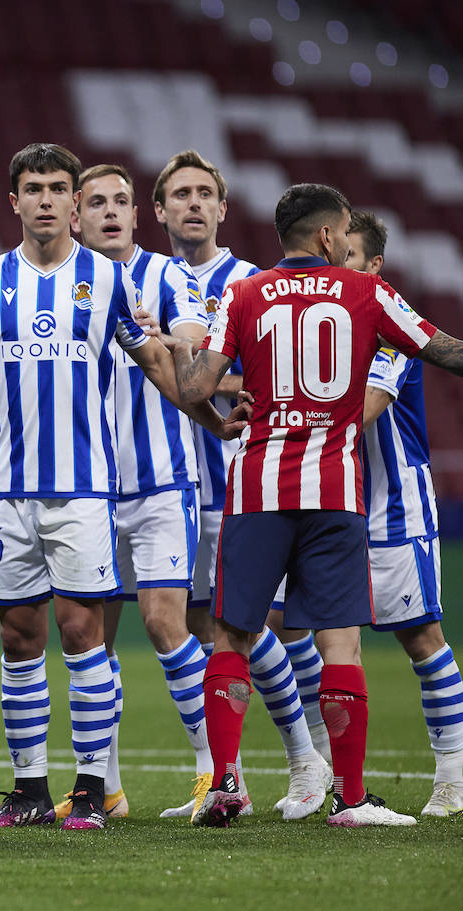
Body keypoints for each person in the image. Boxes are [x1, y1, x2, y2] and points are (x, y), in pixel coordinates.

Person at [0, 142, 245, 830]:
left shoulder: (108, 280)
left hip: (84, 491)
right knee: (17, 635)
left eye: (56, 188)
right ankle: (30, 791)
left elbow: (158, 361)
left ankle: (95, 789)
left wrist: (210, 419)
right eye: (31, 187)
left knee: (82, 631)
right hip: (8, 491)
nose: (44, 199)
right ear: (14, 201)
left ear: (72, 202)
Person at [166, 182, 463, 827]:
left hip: (258, 486)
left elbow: (193, 385)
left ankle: (221, 785)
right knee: (340, 643)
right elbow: (443, 351)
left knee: (232, 636)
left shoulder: (242, 295)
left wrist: (220, 418)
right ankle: (351, 801)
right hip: (334, 489)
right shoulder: (366, 292)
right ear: (329, 237)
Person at [153, 150, 332, 821]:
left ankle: (306, 755)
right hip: (173, 482)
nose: (194, 204)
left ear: (225, 209)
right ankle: (230, 778)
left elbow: (271, 377)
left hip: (243, 479)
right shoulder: (146, 281)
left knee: (264, 625)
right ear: (161, 210)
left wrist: (189, 362)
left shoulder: (255, 283)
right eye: (181, 194)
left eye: (205, 193)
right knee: (204, 626)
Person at [68, 162, 210, 819]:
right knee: (90, 639)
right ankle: (106, 788)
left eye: (120, 201)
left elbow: (194, 340)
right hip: (91, 488)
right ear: (76, 216)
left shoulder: (167, 275)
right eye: (96, 202)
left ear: (135, 212)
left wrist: (170, 337)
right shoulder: (64, 285)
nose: (110, 211)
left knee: (162, 622)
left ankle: (216, 771)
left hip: (161, 482)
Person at [347, 210, 463, 817]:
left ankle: (453, 776)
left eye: (350, 259)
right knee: (325, 641)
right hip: (332, 505)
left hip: (395, 506)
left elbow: (362, 409)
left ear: (375, 268)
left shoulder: (391, 328)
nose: (336, 270)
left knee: (422, 638)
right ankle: (336, 783)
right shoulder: (317, 329)